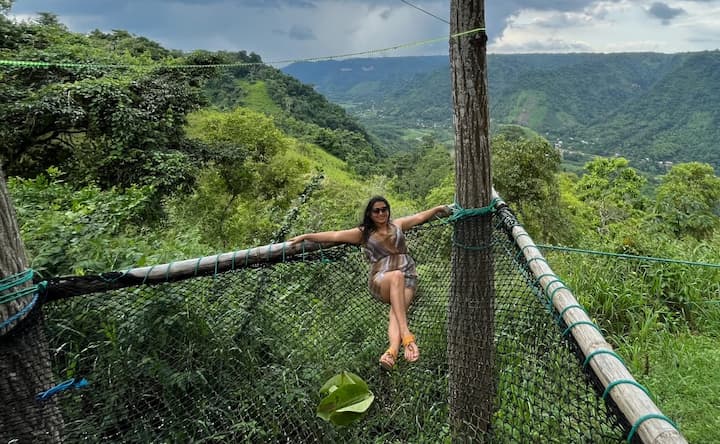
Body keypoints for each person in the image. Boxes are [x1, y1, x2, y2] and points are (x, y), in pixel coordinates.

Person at [288, 196, 450, 370]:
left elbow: (419, 217)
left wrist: (437, 209)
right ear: (370, 214)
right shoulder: (364, 233)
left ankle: (391, 353)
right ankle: (407, 336)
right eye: (376, 210)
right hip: (382, 278)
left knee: (397, 311)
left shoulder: (398, 225)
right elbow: (335, 235)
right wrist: (306, 236)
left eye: (384, 209)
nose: (381, 213)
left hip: (407, 275)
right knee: (396, 277)